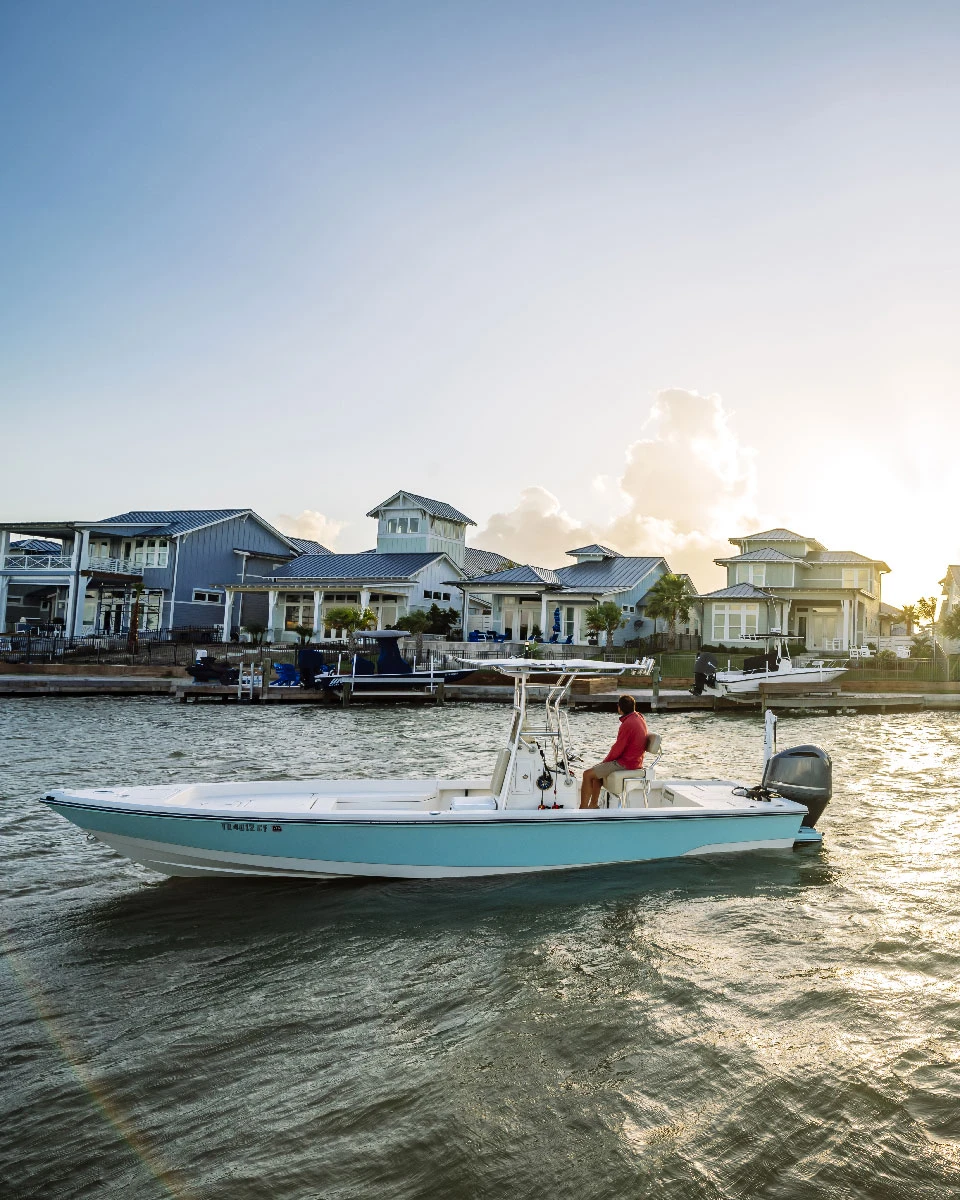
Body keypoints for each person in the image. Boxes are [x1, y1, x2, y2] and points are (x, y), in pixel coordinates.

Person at [580, 694, 648, 808]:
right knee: (596, 773)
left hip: (627, 763)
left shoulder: (628, 724)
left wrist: (605, 762)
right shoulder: (639, 718)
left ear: (619, 708)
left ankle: (582, 809)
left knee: (587, 774)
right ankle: (593, 805)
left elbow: (618, 748)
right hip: (635, 761)